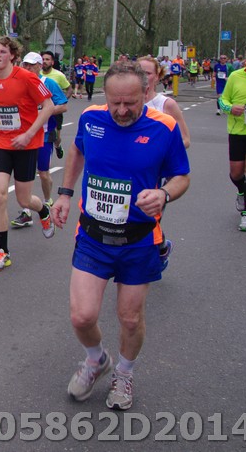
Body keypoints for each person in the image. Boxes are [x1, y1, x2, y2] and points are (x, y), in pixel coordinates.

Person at [53, 61, 190, 411]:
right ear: (106, 96)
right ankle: (96, 360)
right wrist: (65, 194)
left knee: (130, 318)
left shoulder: (164, 127)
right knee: (82, 316)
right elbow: (77, 150)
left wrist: (164, 194)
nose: (122, 110)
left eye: (130, 102)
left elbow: (181, 176)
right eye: (115, 102)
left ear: (146, 92)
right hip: (94, 235)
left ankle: (124, 373)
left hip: (139, 239)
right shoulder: (91, 119)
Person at [0, 37, 55, 271]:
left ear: (13, 56)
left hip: (26, 144)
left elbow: (48, 106)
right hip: (2, 142)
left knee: (24, 200)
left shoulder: (27, 77)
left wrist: (29, 134)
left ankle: (43, 210)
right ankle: (3, 252)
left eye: (2, 52)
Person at [137, 56, 191, 268]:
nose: (143, 76)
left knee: (149, 217)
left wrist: (156, 151)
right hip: (130, 170)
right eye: (139, 71)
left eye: (148, 73)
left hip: (156, 173)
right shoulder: (124, 101)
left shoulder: (165, 105)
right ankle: (157, 247)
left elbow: (185, 139)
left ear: (157, 77)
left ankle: (155, 251)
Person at [10, 53, 68, 226]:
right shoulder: (19, 83)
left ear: (39, 66)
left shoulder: (47, 83)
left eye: (31, 65)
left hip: (44, 134)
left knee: (43, 173)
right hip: (23, 135)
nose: (27, 68)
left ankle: (47, 200)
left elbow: (63, 105)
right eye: (25, 65)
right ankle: (26, 211)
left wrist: (44, 111)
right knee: (24, 175)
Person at [218, 40, 246, 232]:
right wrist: (231, 108)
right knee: (236, 173)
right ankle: (242, 191)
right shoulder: (236, 76)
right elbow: (222, 100)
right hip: (237, 131)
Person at [41, 51, 71, 158]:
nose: (44, 61)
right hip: (41, 110)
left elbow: (69, 89)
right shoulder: (37, 74)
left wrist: (62, 101)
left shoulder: (59, 75)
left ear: (52, 62)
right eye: (43, 59)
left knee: (56, 137)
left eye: (47, 59)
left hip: (55, 110)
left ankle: (57, 146)